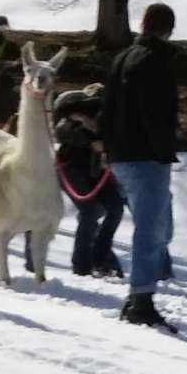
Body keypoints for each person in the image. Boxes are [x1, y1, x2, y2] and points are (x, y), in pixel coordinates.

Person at [103, 3, 181, 331]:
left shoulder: (121, 58)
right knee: (151, 229)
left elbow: (107, 108)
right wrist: (164, 149)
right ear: (168, 29)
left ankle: (140, 291)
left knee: (159, 224)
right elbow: (155, 112)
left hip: (121, 155)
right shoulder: (155, 62)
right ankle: (141, 300)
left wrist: (108, 148)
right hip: (146, 156)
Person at [52, 86, 124, 279]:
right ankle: (81, 266)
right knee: (89, 211)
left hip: (97, 169)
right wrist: (88, 135)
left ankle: (101, 257)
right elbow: (61, 132)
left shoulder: (115, 118)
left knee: (116, 208)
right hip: (71, 167)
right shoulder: (76, 113)